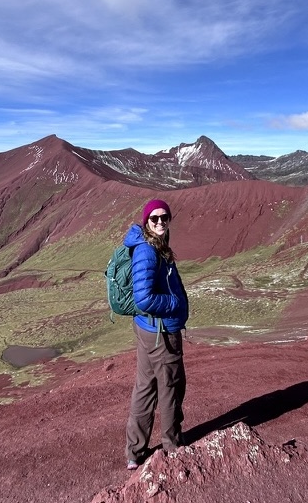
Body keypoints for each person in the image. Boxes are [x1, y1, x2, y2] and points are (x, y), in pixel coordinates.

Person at [123, 199, 189, 470]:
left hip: (147, 330)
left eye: (165, 218)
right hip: (161, 333)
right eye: (154, 218)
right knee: (171, 389)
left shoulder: (153, 246)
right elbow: (143, 298)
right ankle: (173, 448)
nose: (160, 222)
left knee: (145, 388)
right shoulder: (148, 251)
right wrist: (175, 305)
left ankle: (134, 453)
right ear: (145, 221)